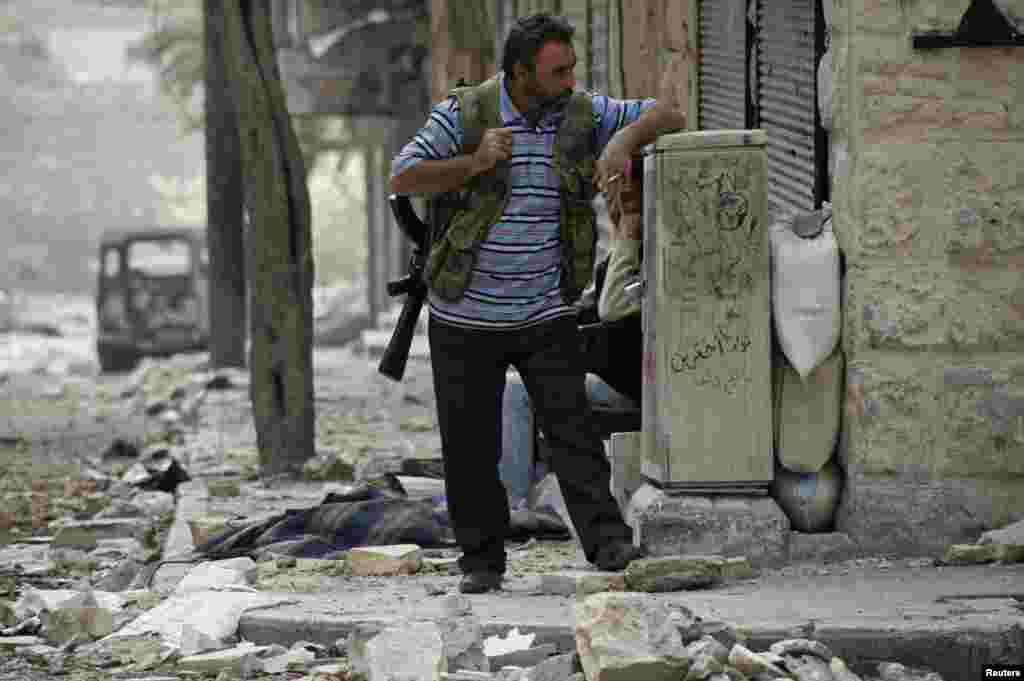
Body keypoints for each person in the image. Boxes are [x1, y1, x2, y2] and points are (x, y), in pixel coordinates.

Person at [391, 13, 686, 593]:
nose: (572, 79)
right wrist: (473, 163)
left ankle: (607, 543)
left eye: (574, 67)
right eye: (560, 70)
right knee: (469, 446)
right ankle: (481, 562)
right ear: (521, 73)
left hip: (545, 309)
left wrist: (622, 141)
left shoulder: (580, 114)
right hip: (463, 314)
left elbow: (670, 112)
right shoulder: (465, 114)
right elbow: (404, 177)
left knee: (572, 429)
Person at [499, 170, 645, 510]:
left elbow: (613, 309)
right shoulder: (622, 253)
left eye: (622, 197)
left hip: (633, 390)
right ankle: (518, 486)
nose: (612, 204)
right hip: (615, 377)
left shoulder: (647, 251)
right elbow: (588, 305)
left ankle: (514, 504)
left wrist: (627, 234)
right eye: (610, 196)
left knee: (515, 390)